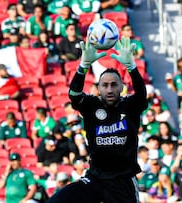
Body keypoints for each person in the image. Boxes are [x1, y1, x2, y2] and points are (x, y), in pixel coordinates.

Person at [48, 36, 148, 202]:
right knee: (58, 200)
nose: (109, 89)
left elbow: (141, 95)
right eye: (105, 85)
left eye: (114, 85)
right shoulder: (91, 105)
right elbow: (73, 95)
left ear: (121, 87)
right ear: (98, 88)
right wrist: (83, 66)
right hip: (96, 178)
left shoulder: (130, 106)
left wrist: (131, 67)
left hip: (122, 182)